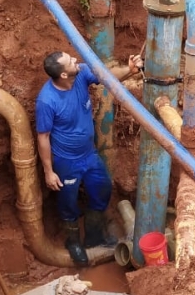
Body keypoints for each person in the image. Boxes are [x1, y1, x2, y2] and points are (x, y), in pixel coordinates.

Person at [36, 50, 143, 264]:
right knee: (67, 201)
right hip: (66, 161)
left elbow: (107, 76)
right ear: (63, 75)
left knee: (102, 189)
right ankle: (73, 241)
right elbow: (43, 137)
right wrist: (49, 171)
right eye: (70, 61)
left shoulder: (82, 73)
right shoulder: (47, 101)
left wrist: (130, 70)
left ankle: (93, 237)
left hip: (89, 154)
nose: (76, 60)